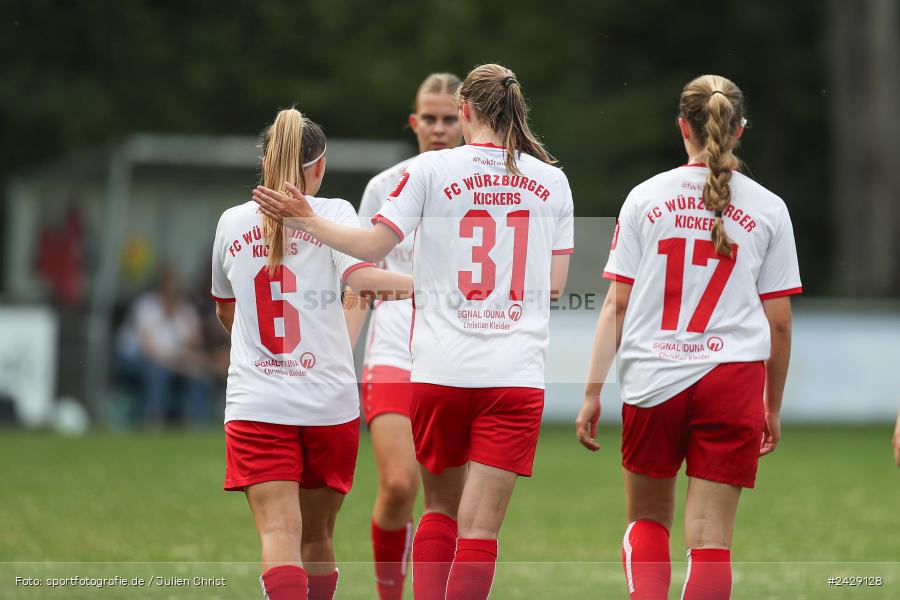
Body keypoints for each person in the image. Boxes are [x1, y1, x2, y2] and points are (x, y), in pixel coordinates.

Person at [253, 63, 574, 600]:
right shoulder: (552, 180)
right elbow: (556, 286)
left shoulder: (430, 173)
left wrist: (305, 219)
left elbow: (370, 250)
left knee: (439, 511)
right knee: (480, 530)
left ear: (466, 112)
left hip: (439, 367)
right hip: (515, 373)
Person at [576, 74, 800, 599]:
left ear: (682, 128)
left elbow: (618, 303)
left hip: (654, 377)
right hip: (732, 381)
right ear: (739, 129)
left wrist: (591, 392)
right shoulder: (769, 207)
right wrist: (772, 403)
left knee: (648, 523)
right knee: (711, 542)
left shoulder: (644, 197)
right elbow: (781, 322)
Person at [211, 108, 411, 600]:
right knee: (318, 537)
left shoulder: (231, 223)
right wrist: (433, 284)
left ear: (265, 164)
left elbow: (226, 311)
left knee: (279, 534)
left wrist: (262, 352)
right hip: (328, 404)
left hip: (258, 403)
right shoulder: (337, 214)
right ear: (319, 167)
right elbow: (363, 282)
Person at [345, 71, 463, 600]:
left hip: (457, 356)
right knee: (398, 486)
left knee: (448, 503)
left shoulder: (480, 190)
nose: (438, 128)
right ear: (414, 122)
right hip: (393, 352)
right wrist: (338, 356)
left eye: (449, 118)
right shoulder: (384, 185)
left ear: (466, 121)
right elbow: (358, 282)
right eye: (429, 119)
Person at [115, 265, 212, 427]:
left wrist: (198, 363)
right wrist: (180, 362)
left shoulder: (186, 312)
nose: (173, 293)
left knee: (198, 374)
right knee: (157, 371)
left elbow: (194, 346)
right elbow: (150, 350)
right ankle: (153, 420)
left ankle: (197, 423)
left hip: (173, 363)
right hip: (133, 360)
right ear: (162, 288)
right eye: (170, 288)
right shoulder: (146, 306)